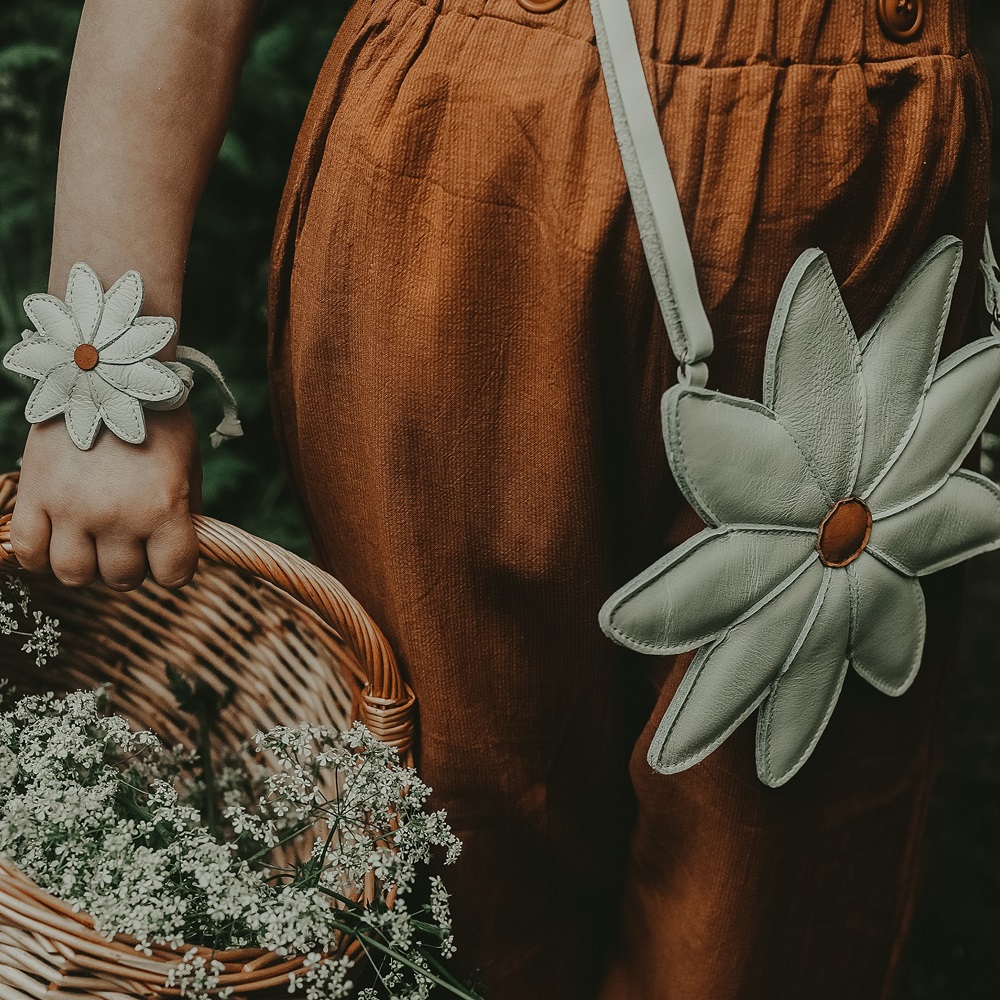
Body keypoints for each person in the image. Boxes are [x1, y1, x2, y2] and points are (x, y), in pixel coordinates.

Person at [8, 1, 991, 998]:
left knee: (773, 876)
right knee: (453, 848)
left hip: (859, 154)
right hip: (469, 160)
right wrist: (100, 378)